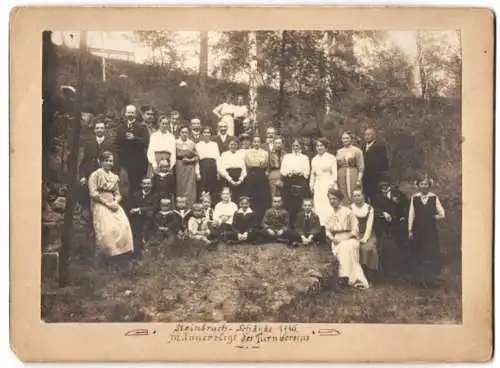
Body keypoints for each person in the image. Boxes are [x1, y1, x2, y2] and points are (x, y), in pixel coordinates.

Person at [87, 151, 134, 260]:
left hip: (112, 203)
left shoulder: (114, 177)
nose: (109, 163)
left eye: (111, 161)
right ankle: (106, 256)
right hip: (100, 203)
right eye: (106, 161)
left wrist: (115, 202)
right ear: (101, 162)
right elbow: (93, 194)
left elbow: (117, 193)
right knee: (108, 229)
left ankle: (120, 254)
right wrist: (107, 204)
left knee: (123, 224)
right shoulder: (95, 175)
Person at [78, 120, 119, 234]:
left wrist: (114, 176)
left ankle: (106, 228)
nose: (100, 130)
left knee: (105, 203)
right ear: (94, 130)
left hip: (105, 178)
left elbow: (115, 161)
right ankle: (91, 227)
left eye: (102, 128)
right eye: (97, 128)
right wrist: (82, 176)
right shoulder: (90, 143)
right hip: (91, 176)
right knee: (91, 202)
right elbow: (84, 161)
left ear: (104, 129)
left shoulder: (109, 143)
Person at [324, 188, 369, 289]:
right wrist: (333, 238)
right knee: (343, 247)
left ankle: (344, 277)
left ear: (340, 200)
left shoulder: (348, 212)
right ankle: (346, 278)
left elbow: (355, 229)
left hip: (350, 239)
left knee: (346, 247)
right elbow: (327, 231)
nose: (332, 201)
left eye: (334, 199)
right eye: (330, 199)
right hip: (336, 240)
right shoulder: (328, 214)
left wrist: (345, 238)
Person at [408, 175, 445, 286]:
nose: (424, 186)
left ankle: (430, 279)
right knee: (418, 253)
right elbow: (411, 214)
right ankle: (419, 279)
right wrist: (410, 230)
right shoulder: (414, 197)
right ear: (418, 186)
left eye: (426, 184)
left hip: (430, 231)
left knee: (429, 253)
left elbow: (442, 214)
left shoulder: (434, 197)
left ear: (429, 186)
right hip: (418, 229)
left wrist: (433, 217)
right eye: (421, 184)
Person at [371, 173, 410, 280]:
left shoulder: (398, 194)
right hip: (382, 226)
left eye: (385, 185)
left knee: (401, 244)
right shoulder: (376, 196)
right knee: (384, 246)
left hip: (397, 224)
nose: (383, 187)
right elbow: (372, 208)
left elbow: (407, 206)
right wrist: (383, 213)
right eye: (381, 185)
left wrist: (403, 217)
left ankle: (401, 271)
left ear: (389, 184)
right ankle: (385, 273)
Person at [116, 104, 150, 197]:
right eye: (128, 112)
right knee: (123, 188)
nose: (130, 114)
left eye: (132, 112)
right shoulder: (121, 128)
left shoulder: (142, 127)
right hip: (125, 163)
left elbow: (146, 142)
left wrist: (134, 138)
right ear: (125, 114)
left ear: (135, 114)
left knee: (136, 188)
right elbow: (117, 143)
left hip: (138, 164)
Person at [351, 189, 379, 281]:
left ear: (363, 196)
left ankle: (369, 276)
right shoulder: (350, 208)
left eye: (358, 195)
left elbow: (369, 226)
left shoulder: (369, 209)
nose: (356, 198)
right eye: (354, 196)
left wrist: (365, 238)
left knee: (367, 249)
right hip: (355, 234)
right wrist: (355, 236)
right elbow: (351, 225)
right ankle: (355, 276)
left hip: (368, 234)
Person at [281, 138, 311, 227]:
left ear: (300, 146)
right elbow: (283, 170)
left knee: (299, 204)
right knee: (289, 204)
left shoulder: (305, 158)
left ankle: (300, 226)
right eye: (294, 146)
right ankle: (289, 226)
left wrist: (301, 172)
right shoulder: (287, 157)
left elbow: (307, 171)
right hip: (289, 181)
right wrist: (289, 172)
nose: (295, 147)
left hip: (300, 182)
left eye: (297, 145)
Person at [310, 138, 338, 226]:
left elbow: (334, 173)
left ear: (325, 147)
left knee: (328, 204)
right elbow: (312, 173)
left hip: (328, 183)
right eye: (317, 146)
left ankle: (330, 225)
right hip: (318, 184)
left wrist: (333, 184)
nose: (319, 147)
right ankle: (320, 226)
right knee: (318, 204)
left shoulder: (331, 158)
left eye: (321, 145)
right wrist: (311, 184)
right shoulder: (314, 159)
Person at [244, 136, 271, 223]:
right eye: (254, 141)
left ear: (260, 143)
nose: (256, 143)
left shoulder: (265, 153)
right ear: (252, 143)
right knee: (252, 197)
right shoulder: (247, 152)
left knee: (262, 197)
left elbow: (266, 164)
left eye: (258, 142)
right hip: (251, 175)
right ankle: (251, 221)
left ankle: (261, 220)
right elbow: (247, 163)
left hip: (261, 175)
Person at [129, 177, 158, 256]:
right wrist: (136, 211)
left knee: (149, 215)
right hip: (138, 218)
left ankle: (145, 245)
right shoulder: (136, 194)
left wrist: (139, 209)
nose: (146, 185)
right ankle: (136, 250)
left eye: (148, 183)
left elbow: (154, 207)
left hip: (149, 218)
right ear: (141, 185)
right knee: (135, 229)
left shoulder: (154, 195)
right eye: (144, 183)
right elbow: (131, 208)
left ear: (151, 185)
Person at [361, 128, 389, 204]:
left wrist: (380, 174)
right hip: (364, 175)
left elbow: (383, 162)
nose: (366, 137)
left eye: (368, 135)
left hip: (375, 176)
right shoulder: (362, 147)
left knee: (375, 196)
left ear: (373, 136)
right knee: (365, 194)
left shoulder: (379, 147)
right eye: (365, 135)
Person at [336, 131, 365, 204]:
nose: (345, 140)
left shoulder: (357, 151)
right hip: (341, 174)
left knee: (354, 192)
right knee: (343, 193)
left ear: (351, 139)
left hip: (353, 174)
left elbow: (361, 167)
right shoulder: (339, 151)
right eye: (343, 138)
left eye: (347, 138)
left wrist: (358, 180)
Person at [195, 126, 220, 202]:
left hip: (213, 168)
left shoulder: (214, 144)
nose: (206, 134)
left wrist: (218, 171)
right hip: (203, 167)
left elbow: (218, 158)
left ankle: (212, 206)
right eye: (205, 132)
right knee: (202, 188)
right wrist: (197, 172)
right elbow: (197, 160)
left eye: (208, 132)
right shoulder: (198, 144)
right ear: (202, 134)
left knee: (212, 188)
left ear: (210, 134)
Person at [218, 138, 247, 203]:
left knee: (239, 197)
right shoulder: (224, 154)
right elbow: (221, 168)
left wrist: (240, 180)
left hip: (239, 179)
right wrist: (230, 180)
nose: (233, 146)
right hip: (228, 178)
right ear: (228, 145)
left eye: (235, 144)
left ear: (237, 145)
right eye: (231, 144)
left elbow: (244, 169)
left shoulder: (241, 154)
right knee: (229, 196)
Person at [175, 125, 198, 208]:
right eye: (182, 132)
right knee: (180, 186)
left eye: (186, 132)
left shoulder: (191, 143)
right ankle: (180, 207)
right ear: (179, 133)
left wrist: (190, 160)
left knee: (189, 187)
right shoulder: (175, 142)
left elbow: (197, 157)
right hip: (179, 166)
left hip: (189, 167)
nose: (184, 134)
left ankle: (190, 207)